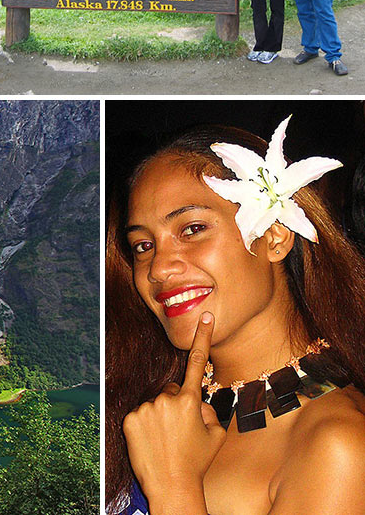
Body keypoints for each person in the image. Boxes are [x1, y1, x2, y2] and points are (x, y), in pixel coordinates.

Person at [105, 117, 365, 515]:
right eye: (142, 245)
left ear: (275, 236)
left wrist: (174, 490)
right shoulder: (153, 397)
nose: (158, 269)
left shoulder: (339, 445)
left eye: (192, 229)